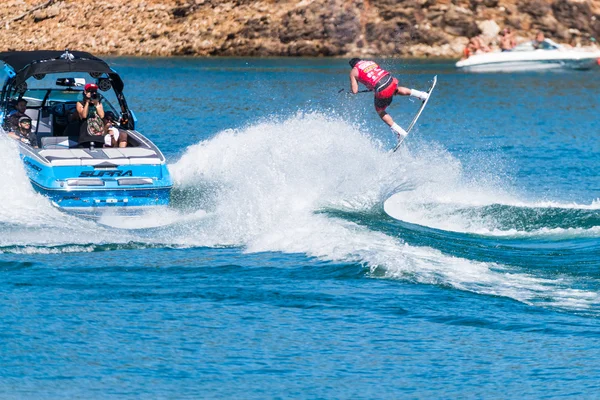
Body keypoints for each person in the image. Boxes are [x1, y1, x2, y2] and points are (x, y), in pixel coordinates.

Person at [348, 58, 429, 139]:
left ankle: (400, 132)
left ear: (353, 66)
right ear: (360, 60)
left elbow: (355, 91)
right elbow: (377, 76)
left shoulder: (354, 71)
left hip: (381, 88)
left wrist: (352, 91)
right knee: (396, 90)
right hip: (390, 80)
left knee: (379, 110)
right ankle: (422, 95)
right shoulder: (370, 62)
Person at [76, 83, 105, 147]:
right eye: (90, 91)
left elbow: (102, 116)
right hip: (85, 137)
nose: (92, 93)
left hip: (99, 138)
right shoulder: (80, 103)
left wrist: (96, 103)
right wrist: (87, 102)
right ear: (85, 92)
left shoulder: (98, 103)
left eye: (94, 91)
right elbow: (84, 116)